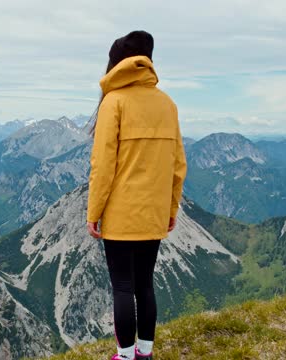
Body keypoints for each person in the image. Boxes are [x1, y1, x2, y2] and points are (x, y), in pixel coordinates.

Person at [86, 30, 187, 360]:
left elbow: (103, 165)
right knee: (145, 283)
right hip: (154, 212)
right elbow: (177, 166)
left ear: (115, 63)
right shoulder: (167, 105)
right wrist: (171, 209)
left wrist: (94, 212)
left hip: (120, 214)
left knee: (123, 287)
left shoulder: (113, 103)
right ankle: (145, 352)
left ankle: (125, 356)